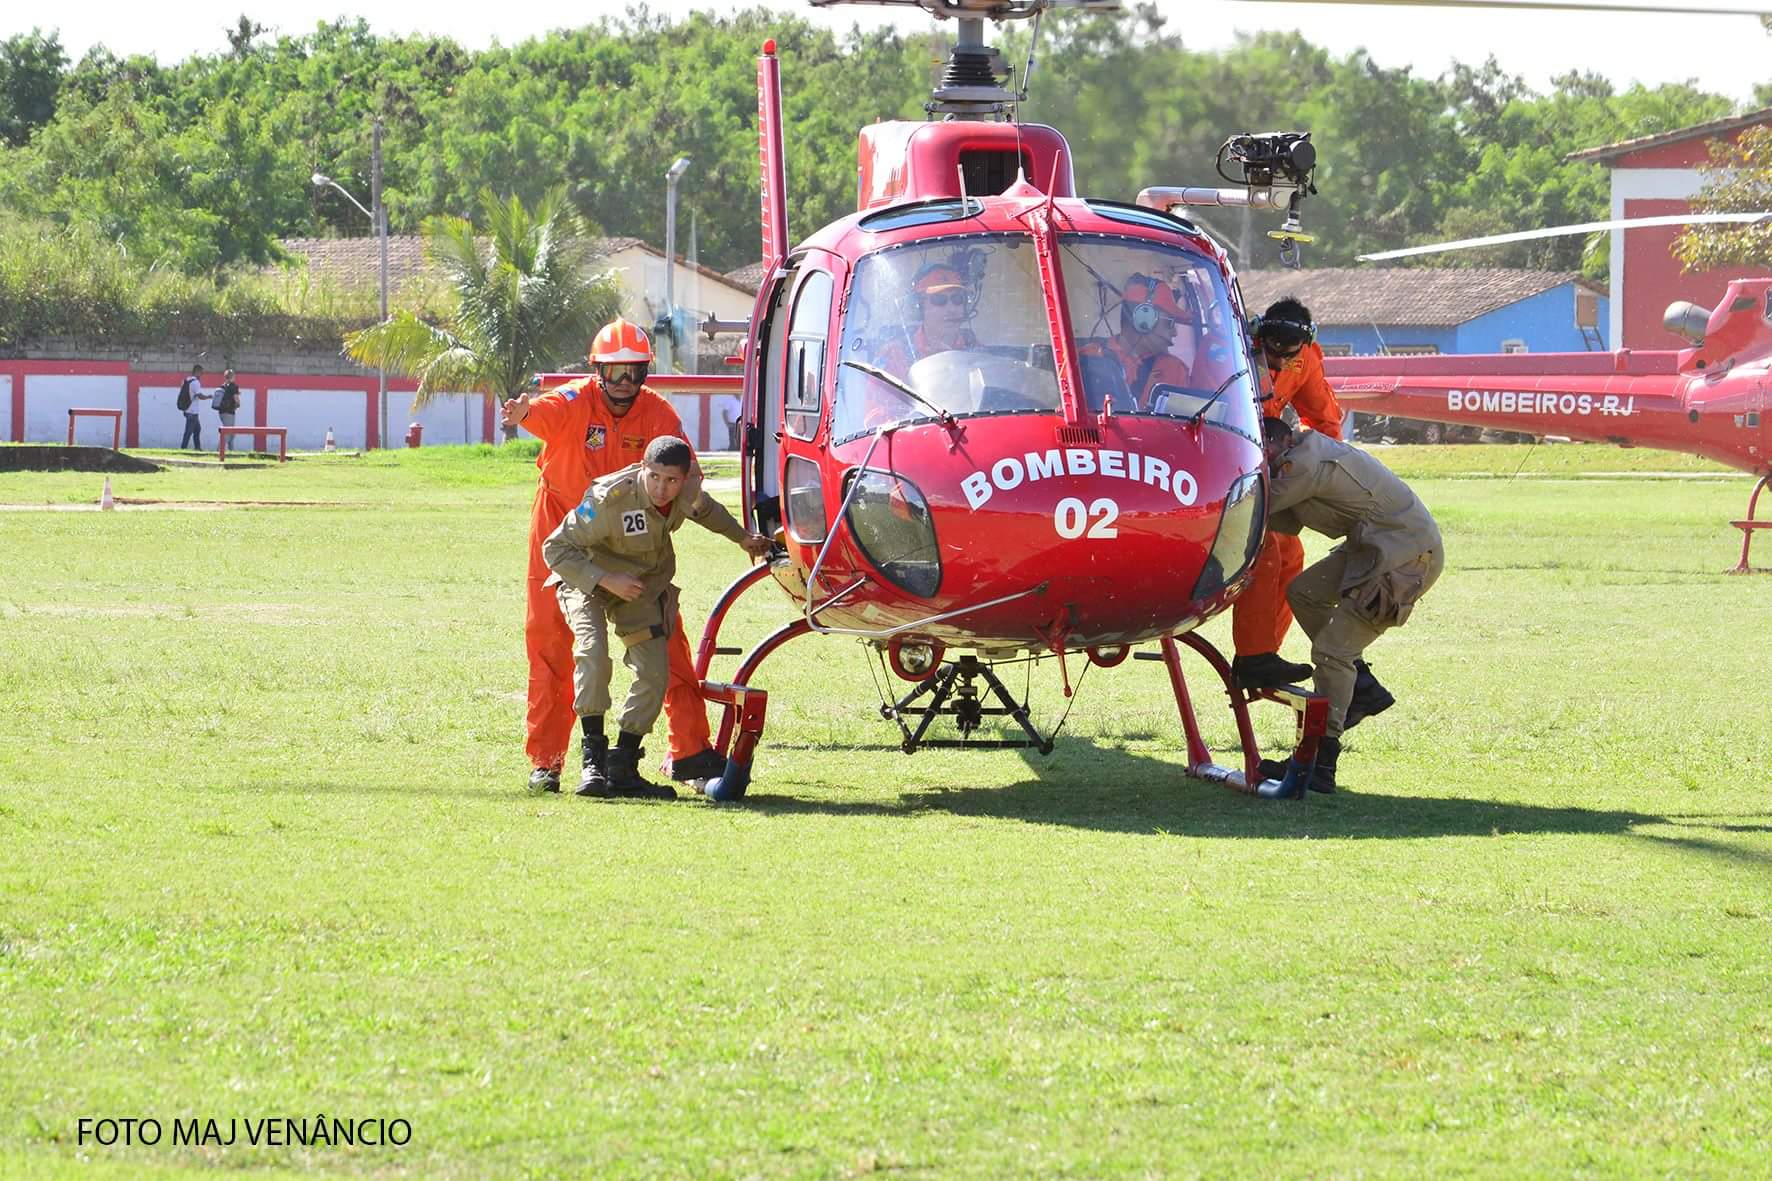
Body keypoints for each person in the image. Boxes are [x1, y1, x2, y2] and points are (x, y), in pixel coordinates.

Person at [502, 318, 733, 794]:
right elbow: (540, 414)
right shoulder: (571, 400)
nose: (624, 381)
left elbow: (686, 478)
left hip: (632, 543)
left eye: (634, 370)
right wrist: (524, 413)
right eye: (614, 371)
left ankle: (689, 753)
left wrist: (724, 524)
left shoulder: (660, 414)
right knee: (550, 644)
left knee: (667, 640)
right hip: (564, 530)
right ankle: (546, 762)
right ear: (596, 370)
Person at [542, 436, 771, 798]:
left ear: (684, 479)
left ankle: (623, 766)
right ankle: (593, 765)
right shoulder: (607, 499)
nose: (662, 488)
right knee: (594, 656)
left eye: (672, 480)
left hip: (638, 588)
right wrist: (605, 579)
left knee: (654, 673)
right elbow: (554, 547)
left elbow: (706, 510)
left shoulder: (685, 491)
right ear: (642, 470)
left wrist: (743, 539)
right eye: (654, 478)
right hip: (587, 582)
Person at [1257, 417, 1442, 795]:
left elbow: (1260, 505)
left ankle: (1320, 765)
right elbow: (1287, 522)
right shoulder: (1302, 453)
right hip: (1374, 544)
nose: (1261, 459)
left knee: (1330, 653)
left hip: (1405, 556)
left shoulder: (1303, 464)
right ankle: (1361, 688)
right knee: (1305, 593)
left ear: (1280, 443)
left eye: (1263, 452)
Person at [1230, 297, 1346, 693]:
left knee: (1290, 555)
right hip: (1227, 460)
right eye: (1270, 353)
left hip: (1267, 462)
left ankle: (1264, 654)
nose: (1277, 364)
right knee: (1267, 553)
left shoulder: (1307, 358)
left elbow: (1325, 422)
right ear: (1259, 336)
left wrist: (1314, 475)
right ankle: (1256, 656)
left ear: (1304, 345)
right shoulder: (1231, 345)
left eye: (1287, 356)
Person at [1077, 273, 1194, 413]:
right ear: (1144, 319)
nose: (1174, 333)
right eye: (1170, 323)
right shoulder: (1089, 360)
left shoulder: (1175, 370)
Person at [873, 264, 979, 377]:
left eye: (957, 299)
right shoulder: (894, 355)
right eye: (939, 300)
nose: (951, 308)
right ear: (919, 307)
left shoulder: (975, 348)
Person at [176, 365, 210, 450]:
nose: (202, 375)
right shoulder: (195, 383)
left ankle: (198, 448)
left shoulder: (186, 380)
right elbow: (200, 396)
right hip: (192, 411)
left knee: (197, 430)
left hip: (187, 410)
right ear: (197, 372)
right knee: (189, 431)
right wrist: (208, 397)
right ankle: (183, 448)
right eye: (201, 373)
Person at [214, 369, 242, 442]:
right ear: (233, 377)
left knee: (231, 434)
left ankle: (231, 450)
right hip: (229, 413)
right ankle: (218, 451)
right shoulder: (233, 386)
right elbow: (237, 401)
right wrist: (237, 405)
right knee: (227, 434)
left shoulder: (222, 386)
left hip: (221, 412)